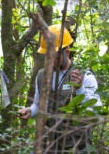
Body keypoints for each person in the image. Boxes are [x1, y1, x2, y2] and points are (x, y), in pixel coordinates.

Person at [19, 24, 102, 153]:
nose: (49, 60)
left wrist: (80, 89)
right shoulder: (42, 75)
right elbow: (37, 104)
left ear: (67, 52)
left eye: (53, 55)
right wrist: (31, 111)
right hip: (49, 145)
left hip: (75, 147)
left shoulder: (84, 75)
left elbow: (96, 110)